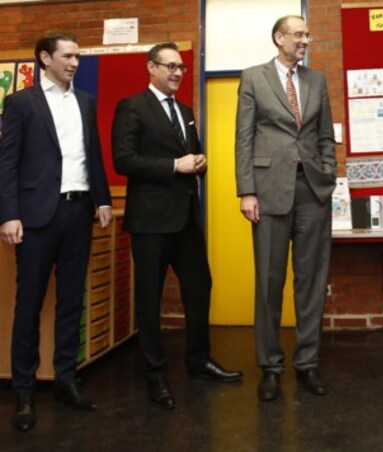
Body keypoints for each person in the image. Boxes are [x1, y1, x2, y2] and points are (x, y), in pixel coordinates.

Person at [112, 42, 243, 410]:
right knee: (150, 299)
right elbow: (124, 161)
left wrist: (200, 163)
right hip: (151, 222)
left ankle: (199, 361)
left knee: (200, 287)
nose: (177, 73)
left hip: (185, 219)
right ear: (151, 68)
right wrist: (175, 166)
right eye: (169, 66)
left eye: (181, 67)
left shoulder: (184, 111)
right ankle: (154, 374)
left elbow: (192, 157)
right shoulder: (132, 106)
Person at [0, 31, 112, 432]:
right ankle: (25, 393)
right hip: (34, 218)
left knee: (71, 302)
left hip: (78, 213)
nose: (75, 63)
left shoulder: (85, 101)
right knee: (28, 305)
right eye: (68, 56)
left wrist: (102, 200)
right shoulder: (20, 103)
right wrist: (8, 214)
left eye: (78, 56)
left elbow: (92, 153)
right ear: (45, 59)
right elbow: (7, 162)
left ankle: (67, 380)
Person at [235, 15, 337, 402]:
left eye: (307, 34)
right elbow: (243, 138)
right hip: (268, 190)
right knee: (269, 282)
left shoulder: (316, 80)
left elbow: (325, 135)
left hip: (312, 191)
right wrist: (247, 190)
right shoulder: (253, 77)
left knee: (311, 282)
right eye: (298, 34)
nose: (305, 40)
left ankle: (307, 364)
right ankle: (271, 367)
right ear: (279, 38)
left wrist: (327, 175)